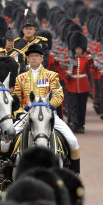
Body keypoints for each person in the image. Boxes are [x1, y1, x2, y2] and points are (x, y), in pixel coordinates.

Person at [13, 43, 80, 174]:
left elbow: (59, 94)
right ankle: (4, 174)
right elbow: (17, 100)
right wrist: (20, 112)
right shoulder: (20, 78)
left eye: (36, 56)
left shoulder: (51, 75)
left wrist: (50, 106)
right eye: (31, 56)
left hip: (48, 115)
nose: (33, 58)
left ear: (41, 58)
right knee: (6, 142)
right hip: (27, 116)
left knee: (73, 141)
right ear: (27, 59)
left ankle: (74, 172)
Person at [63, 32, 92, 134]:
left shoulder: (85, 59)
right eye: (77, 49)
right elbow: (64, 70)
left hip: (83, 85)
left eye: (80, 49)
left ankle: (81, 125)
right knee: (73, 105)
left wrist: (90, 57)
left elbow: (92, 64)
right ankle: (73, 123)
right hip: (72, 85)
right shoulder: (69, 59)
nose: (78, 51)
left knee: (82, 106)